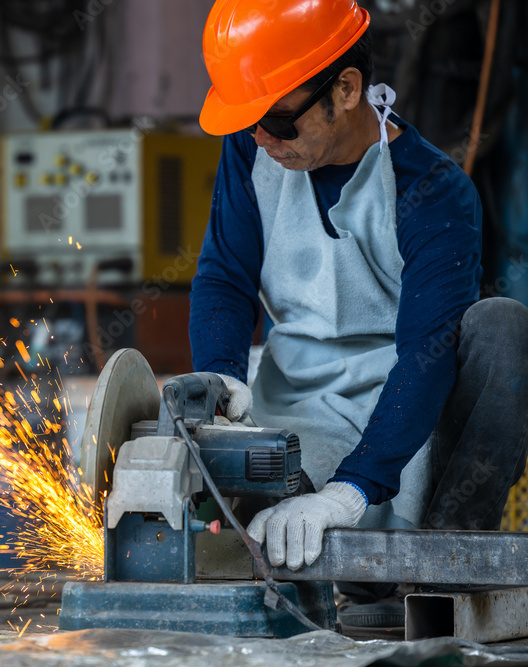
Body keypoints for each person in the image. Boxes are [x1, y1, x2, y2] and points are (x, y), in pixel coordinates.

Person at [189, 0, 528, 610]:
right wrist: (219, 379)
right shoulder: (251, 149)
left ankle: (441, 569)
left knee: (505, 327)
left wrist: (350, 492)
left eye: (278, 120)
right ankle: (353, 570)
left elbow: (427, 356)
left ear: (345, 89)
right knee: (270, 528)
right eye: (251, 122)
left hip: (406, 415)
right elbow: (223, 276)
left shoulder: (434, 192)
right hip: (295, 412)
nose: (263, 138)